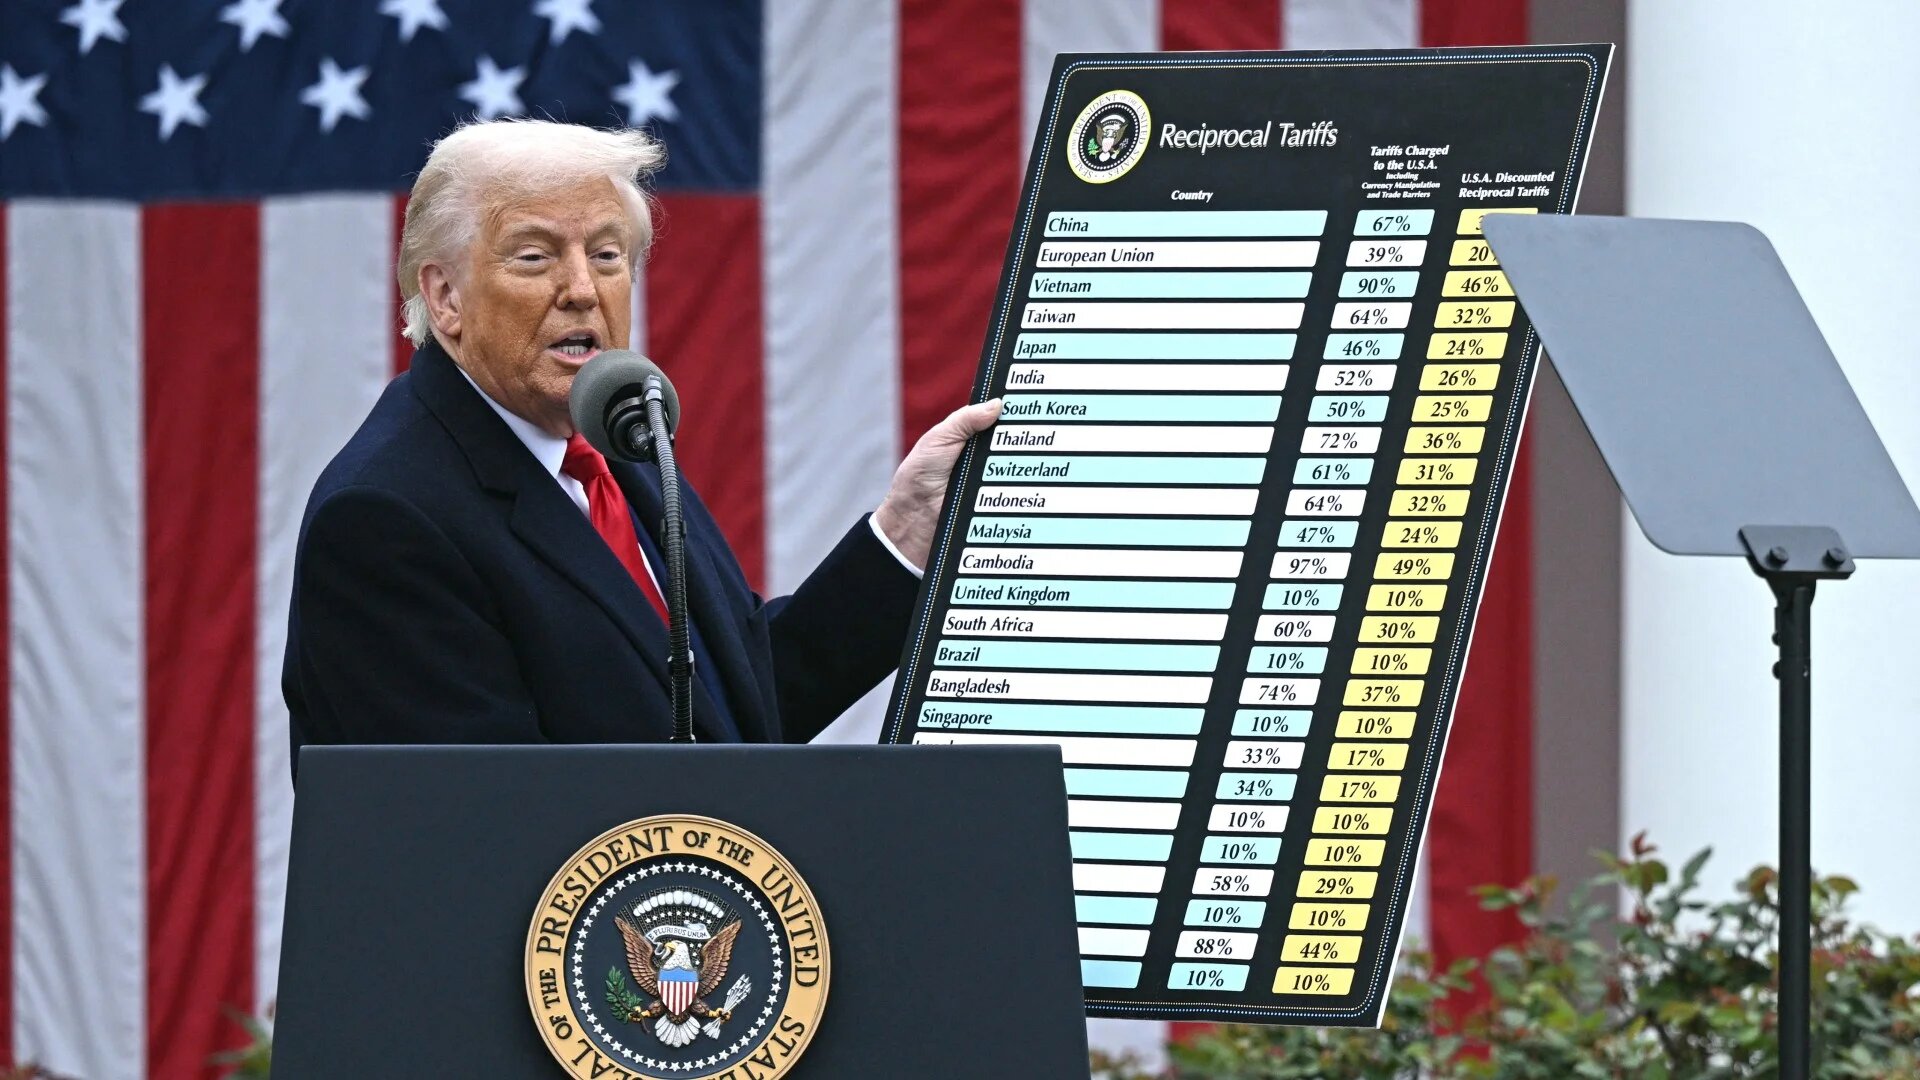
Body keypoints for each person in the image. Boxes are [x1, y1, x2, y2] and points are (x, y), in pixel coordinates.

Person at [282, 118, 997, 764]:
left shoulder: (615, 441)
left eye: (606, 254)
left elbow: (731, 710)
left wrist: (904, 534)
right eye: (534, 257)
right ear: (445, 298)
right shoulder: (385, 518)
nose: (581, 289)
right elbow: (484, 825)